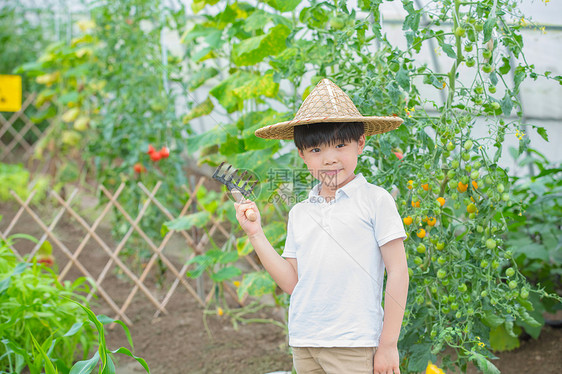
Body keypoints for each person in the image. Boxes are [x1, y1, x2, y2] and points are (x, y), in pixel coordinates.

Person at [234, 79, 409, 374]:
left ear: (360, 143)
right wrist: (256, 234)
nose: (329, 158)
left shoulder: (375, 201)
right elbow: (292, 282)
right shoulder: (300, 212)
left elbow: (399, 271)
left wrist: (388, 343)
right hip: (305, 340)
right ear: (302, 155)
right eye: (316, 150)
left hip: (354, 343)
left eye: (340, 145)